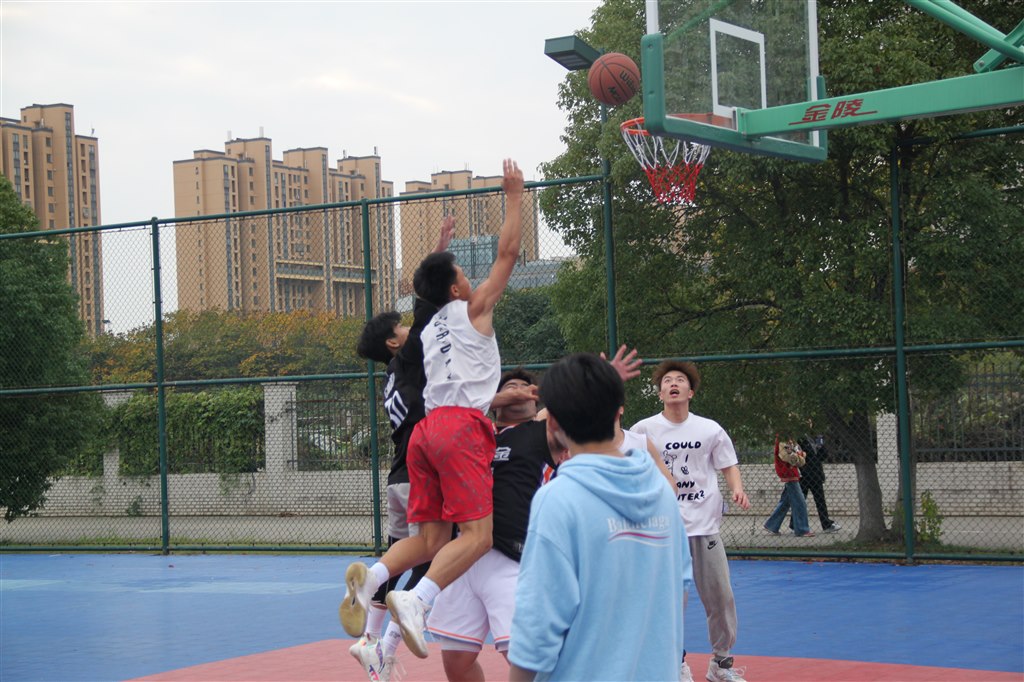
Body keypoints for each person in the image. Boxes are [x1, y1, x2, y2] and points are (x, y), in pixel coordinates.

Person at [340, 159, 524, 660]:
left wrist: (439, 250)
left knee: (431, 540)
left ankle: (373, 578)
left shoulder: (427, 330)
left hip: (424, 437)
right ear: (456, 289)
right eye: (462, 274)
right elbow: (508, 252)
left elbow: (427, 288)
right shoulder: (472, 309)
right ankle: (417, 599)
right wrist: (514, 195)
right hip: (460, 430)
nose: (469, 278)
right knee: (478, 537)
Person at [507, 353, 690, 682]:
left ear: (552, 423)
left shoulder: (558, 499)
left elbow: (538, 623)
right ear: (618, 411)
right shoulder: (662, 494)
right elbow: (680, 588)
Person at [348, 216, 455, 680]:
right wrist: (439, 252)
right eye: (402, 327)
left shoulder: (390, 376)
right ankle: (390, 639)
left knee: (397, 558)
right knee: (433, 555)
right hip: (419, 470)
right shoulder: (408, 358)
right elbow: (427, 304)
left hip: (397, 476)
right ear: (394, 341)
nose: (410, 328)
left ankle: (370, 642)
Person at [629, 360, 751, 682]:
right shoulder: (643, 430)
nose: (673, 384)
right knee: (670, 604)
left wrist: (737, 488)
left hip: (705, 528)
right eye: (667, 381)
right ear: (659, 394)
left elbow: (728, 465)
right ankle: (675, 663)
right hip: (664, 530)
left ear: (690, 392)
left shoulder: (709, 429)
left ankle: (721, 665)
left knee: (721, 599)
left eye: (680, 380)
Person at [763, 436, 815, 538]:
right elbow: (787, 456)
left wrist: (798, 456)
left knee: (786, 501)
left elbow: (800, 457)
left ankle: (772, 525)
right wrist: (798, 456)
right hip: (788, 472)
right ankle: (802, 529)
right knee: (800, 502)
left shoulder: (791, 439)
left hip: (792, 471)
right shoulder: (783, 439)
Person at [794, 434, 841, 533]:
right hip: (805, 474)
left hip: (815, 474)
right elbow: (801, 456)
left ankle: (826, 524)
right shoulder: (800, 439)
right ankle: (794, 524)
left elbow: (821, 457)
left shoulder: (814, 439)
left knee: (820, 500)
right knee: (801, 501)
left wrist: (821, 446)